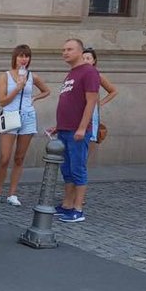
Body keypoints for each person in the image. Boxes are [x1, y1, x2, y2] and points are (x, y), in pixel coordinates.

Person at [0, 44, 51, 206]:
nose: (24, 59)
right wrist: (18, 88)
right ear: (15, 57)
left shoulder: (32, 76)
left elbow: (47, 90)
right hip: (9, 115)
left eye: (27, 56)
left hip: (28, 117)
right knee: (4, 157)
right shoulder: (5, 76)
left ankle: (12, 194)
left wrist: (34, 98)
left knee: (19, 157)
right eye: (21, 56)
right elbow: (2, 100)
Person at [51, 39, 100, 223]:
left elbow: (91, 102)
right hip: (65, 129)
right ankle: (67, 205)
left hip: (77, 132)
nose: (65, 52)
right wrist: (58, 126)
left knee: (78, 169)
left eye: (69, 49)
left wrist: (81, 128)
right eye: (63, 49)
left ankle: (78, 209)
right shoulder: (72, 73)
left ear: (80, 51)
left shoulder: (89, 72)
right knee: (67, 169)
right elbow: (70, 101)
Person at [81, 47, 119, 150]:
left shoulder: (97, 75)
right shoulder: (77, 75)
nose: (85, 61)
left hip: (91, 114)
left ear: (94, 61)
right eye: (83, 58)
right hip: (77, 112)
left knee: (90, 140)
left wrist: (99, 104)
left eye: (88, 58)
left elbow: (113, 91)